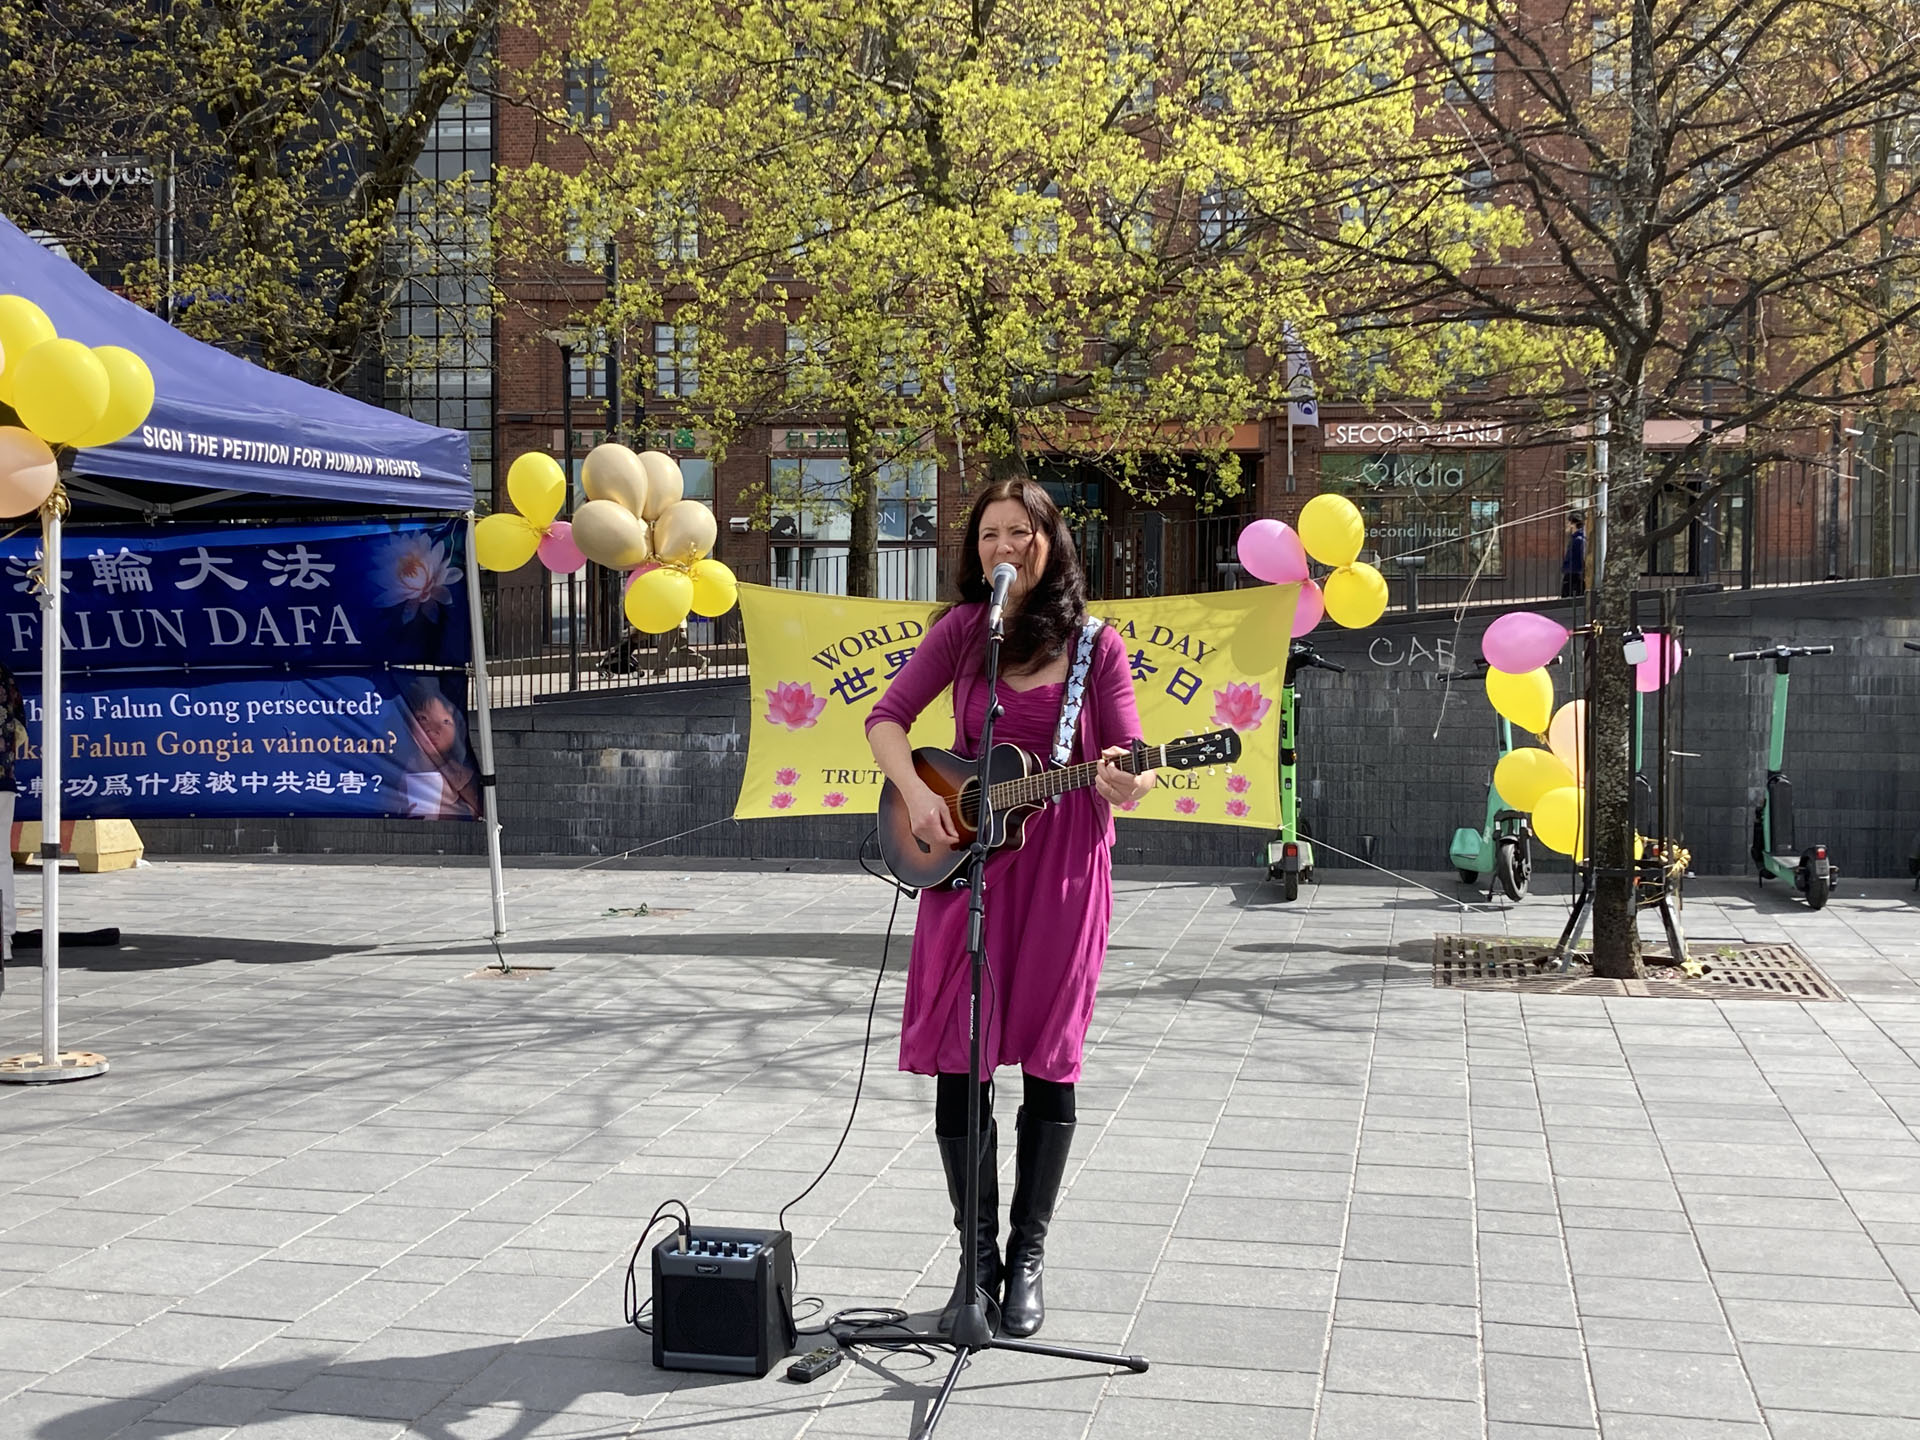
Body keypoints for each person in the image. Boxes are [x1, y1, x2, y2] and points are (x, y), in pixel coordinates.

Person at [866, 478, 1154, 1339]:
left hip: (1063, 871)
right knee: (964, 1058)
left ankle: (1026, 1259)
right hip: (969, 870)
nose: (1004, 547)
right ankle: (975, 1262)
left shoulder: (1096, 645)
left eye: (1020, 533)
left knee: (1050, 1062)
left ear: (1049, 543)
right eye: (990, 533)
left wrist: (1128, 779)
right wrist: (921, 793)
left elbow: (1127, 757)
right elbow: (886, 720)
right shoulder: (963, 631)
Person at [398, 678, 481, 819]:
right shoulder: (400, 766)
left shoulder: (457, 772)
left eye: (445, 721)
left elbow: (478, 811)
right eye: (423, 718)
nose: (433, 729)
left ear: (458, 730)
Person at [0, 662, 24, 961]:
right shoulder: (5, 674)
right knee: (1, 859)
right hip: (3, 778)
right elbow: (20, 730)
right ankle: (4, 938)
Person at [1561, 514, 1587, 596]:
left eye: (1568, 523)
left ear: (1573, 524)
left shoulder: (1578, 540)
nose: (1566, 525)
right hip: (1572, 572)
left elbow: (1582, 557)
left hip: (1574, 574)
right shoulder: (1576, 538)